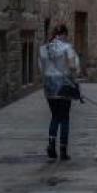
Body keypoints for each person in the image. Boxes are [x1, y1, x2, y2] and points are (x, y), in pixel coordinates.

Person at [39, 23, 81, 160]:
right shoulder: (67, 47)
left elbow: (40, 68)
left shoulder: (44, 49)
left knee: (55, 116)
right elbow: (72, 66)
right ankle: (63, 149)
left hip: (49, 86)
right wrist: (75, 77)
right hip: (64, 85)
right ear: (64, 34)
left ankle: (51, 144)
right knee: (64, 118)